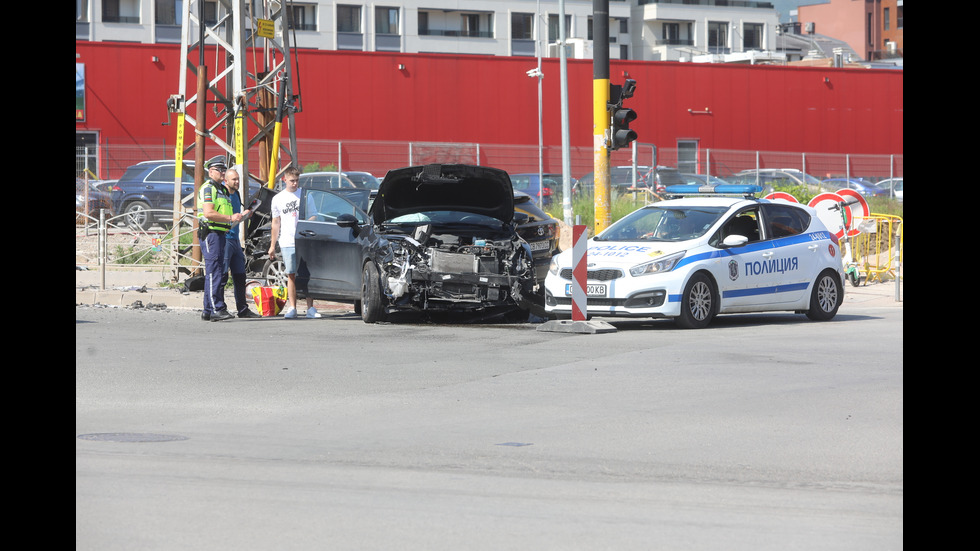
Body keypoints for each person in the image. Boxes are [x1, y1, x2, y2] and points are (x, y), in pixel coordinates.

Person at [268, 166, 321, 319]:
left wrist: (303, 226)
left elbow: (313, 216)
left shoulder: (305, 196)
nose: (295, 184)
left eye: (297, 180)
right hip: (287, 240)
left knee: (307, 274)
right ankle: (292, 307)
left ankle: (310, 308)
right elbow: (275, 222)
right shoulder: (278, 199)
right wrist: (272, 245)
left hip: (303, 240)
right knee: (291, 274)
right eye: (292, 181)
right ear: (285, 179)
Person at [198, 158, 247, 321]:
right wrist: (230, 217)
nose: (222, 173)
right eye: (219, 170)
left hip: (221, 234)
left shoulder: (222, 190)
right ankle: (216, 309)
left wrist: (237, 218)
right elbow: (208, 213)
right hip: (211, 233)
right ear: (210, 172)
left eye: (223, 170)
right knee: (215, 272)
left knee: (215, 271)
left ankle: (207, 310)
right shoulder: (208, 188)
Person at [223, 167, 260, 318]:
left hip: (235, 240)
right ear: (226, 181)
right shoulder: (222, 195)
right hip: (224, 239)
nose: (237, 182)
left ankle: (242, 309)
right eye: (234, 179)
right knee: (222, 276)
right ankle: (219, 308)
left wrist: (246, 215)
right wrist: (235, 217)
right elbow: (222, 217)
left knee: (240, 275)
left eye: (238, 179)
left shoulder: (236, 194)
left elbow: (237, 217)